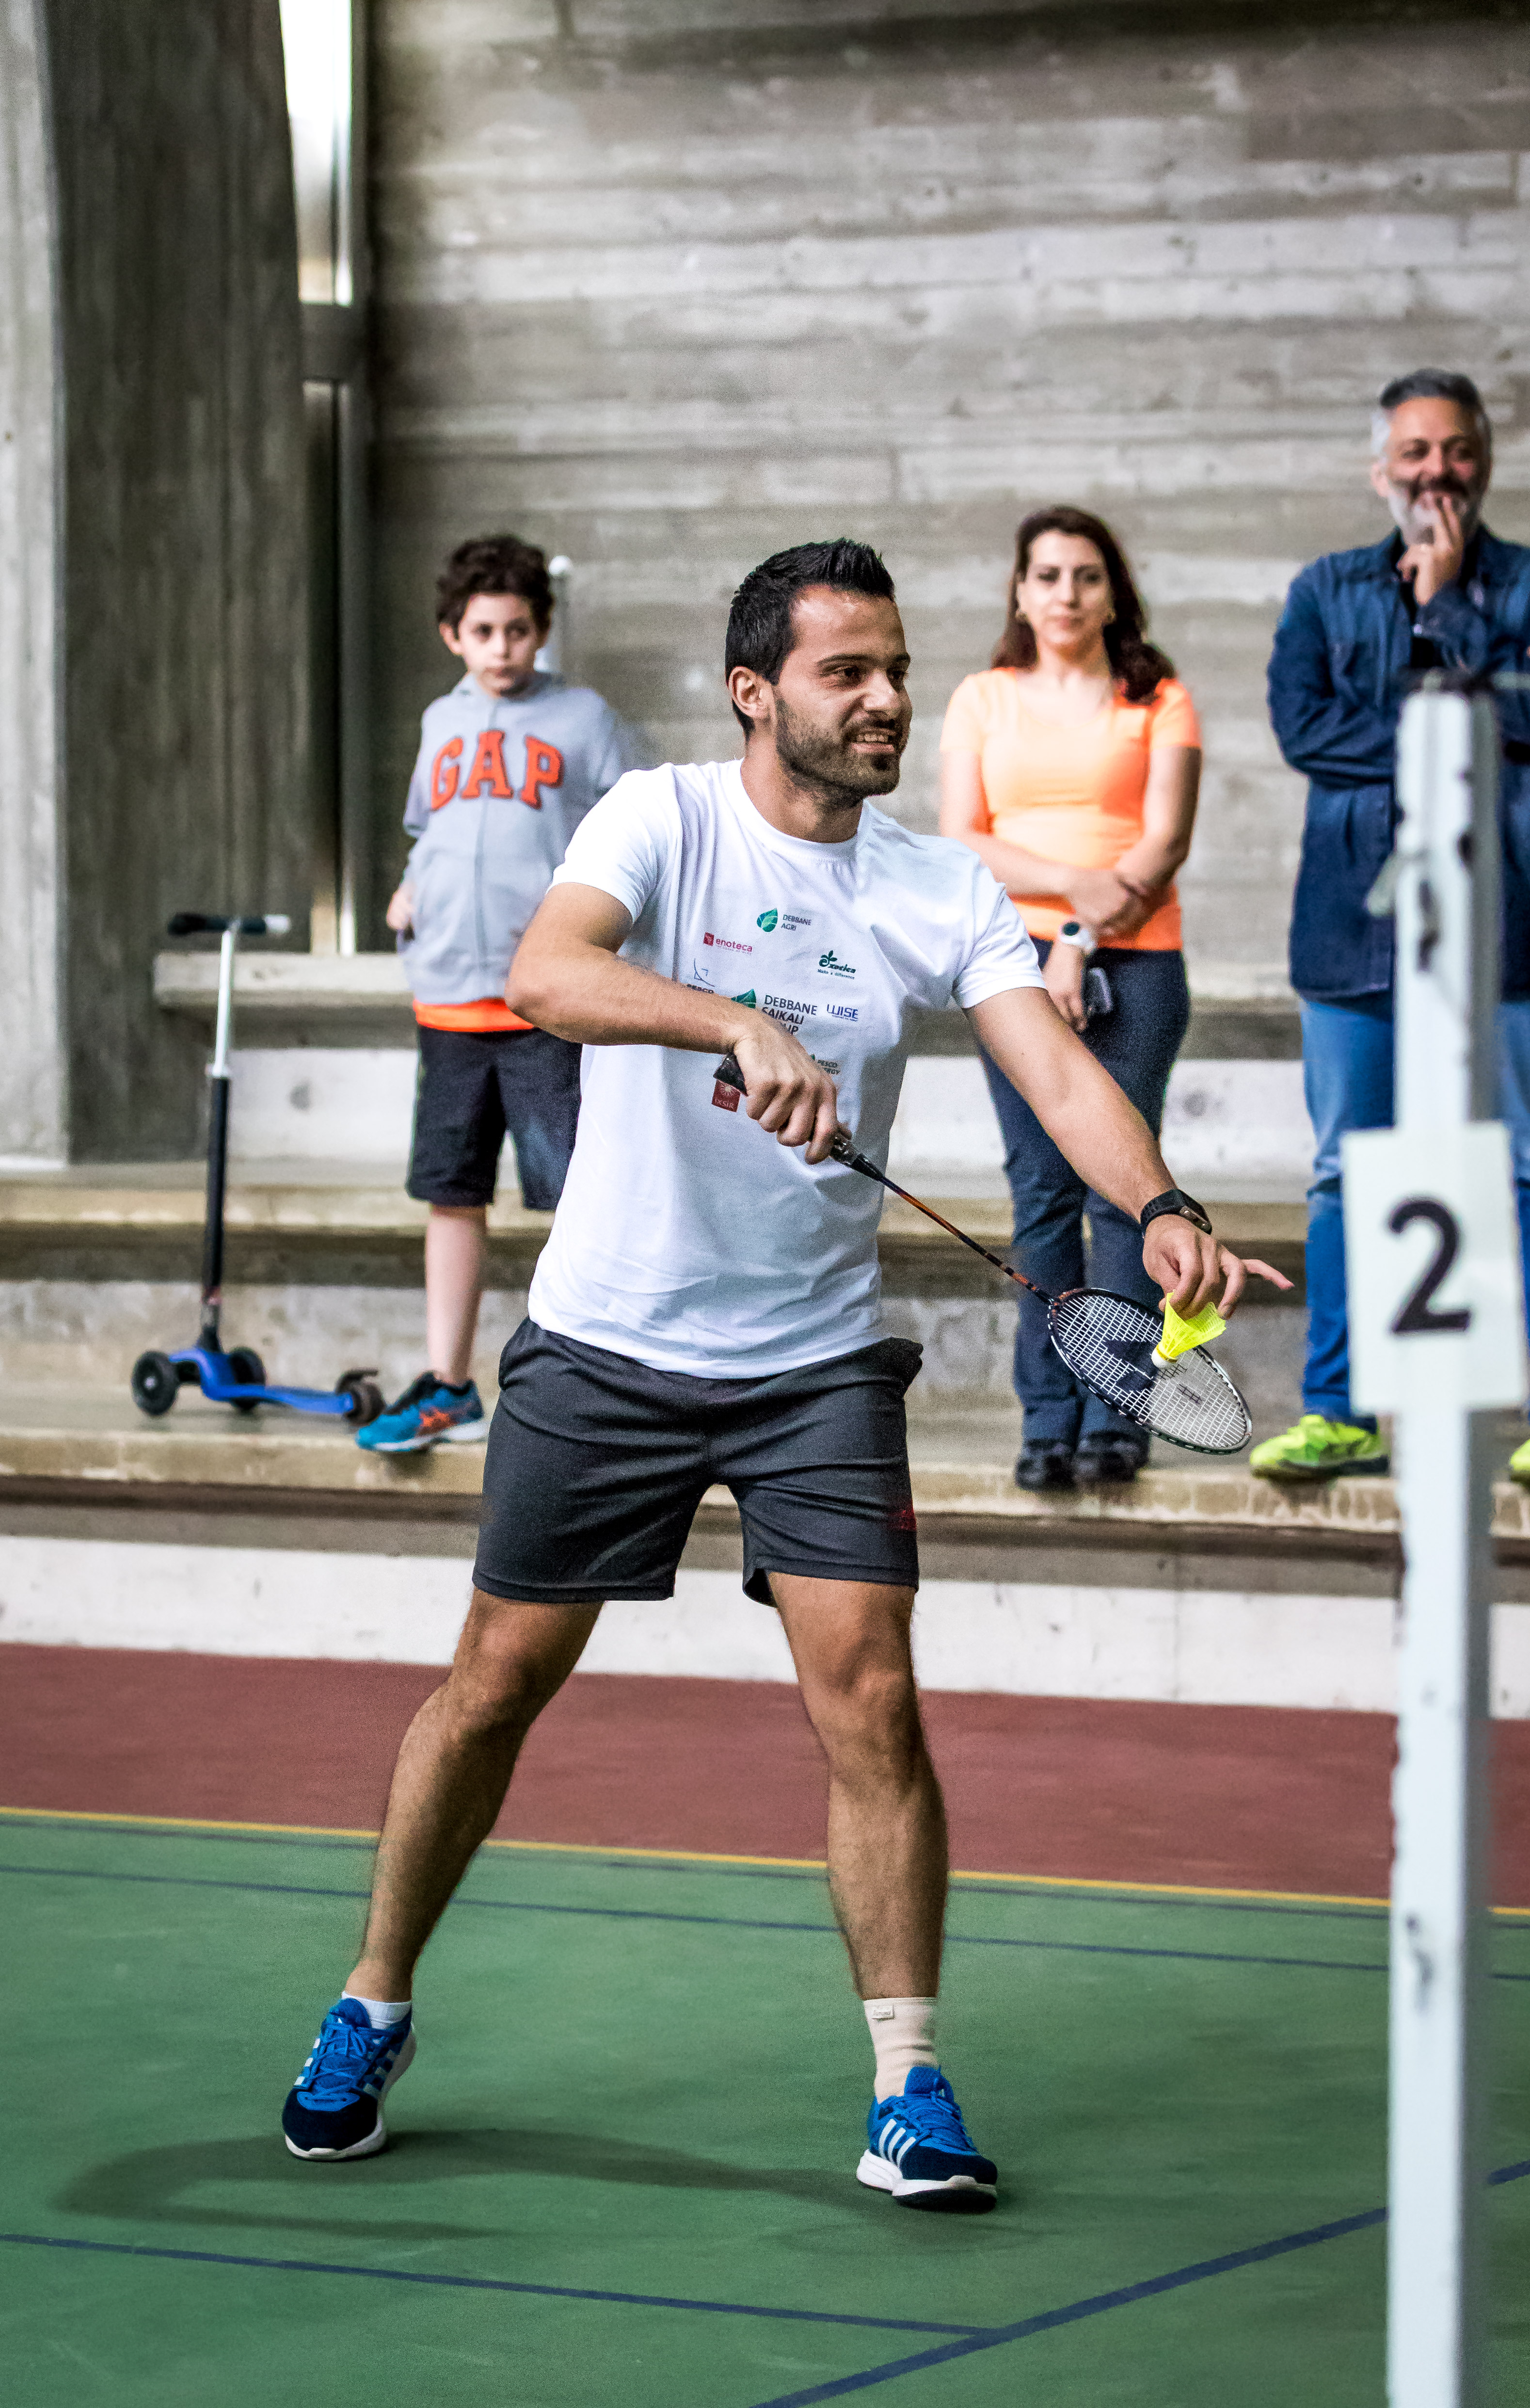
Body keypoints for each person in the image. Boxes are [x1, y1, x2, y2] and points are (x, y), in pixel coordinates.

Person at [280, 540, 1283, 2207]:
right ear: (757, 691)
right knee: (495, 1684)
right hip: (610, 1337)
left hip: (813, 1360)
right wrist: (733, 1022)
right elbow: (545, 973)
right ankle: (371, 1998)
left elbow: (1056, 1073)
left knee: (872, 1694)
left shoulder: (938, 885)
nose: (887, 699)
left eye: (896, 671)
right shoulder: (662, 818)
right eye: (847, 673)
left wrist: (1161, 1205)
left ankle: (909, 2083)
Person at [1254, 369, 1530, 1490]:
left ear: (1484, 461)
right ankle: (1341, 1411)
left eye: (1455, 450)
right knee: (1343, 1177)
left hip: (1510, 932)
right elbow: (1305, 732)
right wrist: (1460, 705)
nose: (1436, 472)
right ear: (1381, 471)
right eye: (1415, 452)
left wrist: (1449, 607)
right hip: (1354, 938)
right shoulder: (1325, 590)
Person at [939, 508, 1202, 1489]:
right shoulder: (981, 699)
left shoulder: (1159, 698)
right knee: (1042, 1193)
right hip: (1010, 962)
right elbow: (963, 838)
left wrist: (1082, 934)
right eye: (1047, 575)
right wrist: (1065, 893)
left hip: (1136, 961)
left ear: (1113, 593)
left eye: (1086, 576)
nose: (1066, 594)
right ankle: (1048, 1416)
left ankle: (1120, 1413)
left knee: (1124, 1192)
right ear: (1020, 591)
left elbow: (1162, 844)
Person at [358, 533, 633, 1454]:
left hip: (541, 1004)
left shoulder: (584, 719)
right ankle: (448, 1385)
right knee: (452, 1194)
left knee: (577, 1197)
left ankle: (597, 1385)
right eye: (483, 632)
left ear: (541, 630)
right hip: (446, 1000)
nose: (502, 647)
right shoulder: (441, 720)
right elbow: (430, 829)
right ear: (453, 635)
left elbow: (633, 832)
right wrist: (411, 889)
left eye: (518, 630)